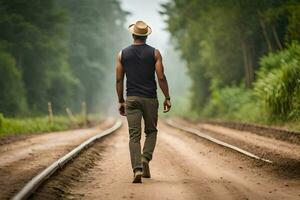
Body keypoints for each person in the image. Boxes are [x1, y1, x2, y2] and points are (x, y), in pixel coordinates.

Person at [115, 20, 171, 183]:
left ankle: (137, 169)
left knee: (134, 136)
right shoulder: (155, 53)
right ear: (146, 36)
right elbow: (161, 77)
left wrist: (121, 101)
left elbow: (119, 80)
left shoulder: (122, 54)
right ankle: (145, 158)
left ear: (133, 35)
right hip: (150, 99)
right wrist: (167, 97)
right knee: (151, 131)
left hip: (131, 99)